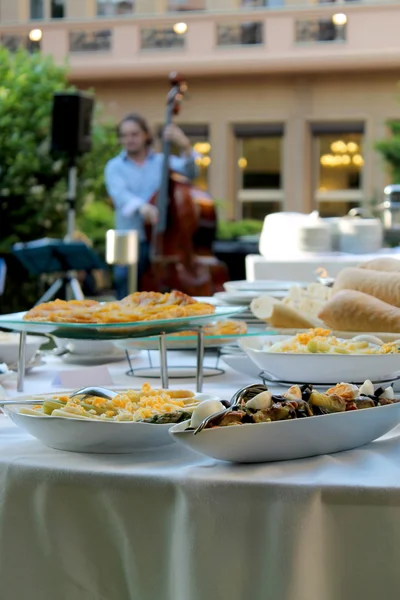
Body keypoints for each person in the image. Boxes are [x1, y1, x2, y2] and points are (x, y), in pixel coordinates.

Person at [105, 113, 198, 299]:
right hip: (130, 237)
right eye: (124, 135)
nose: (129, 139)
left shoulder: (161, 161)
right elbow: (120, 195)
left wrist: (185, 146)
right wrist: (143, 207)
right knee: (125, 285)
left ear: (146, 135)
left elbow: (191, 172)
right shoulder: (114, 166)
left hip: (163, 239)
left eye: (134, 134)